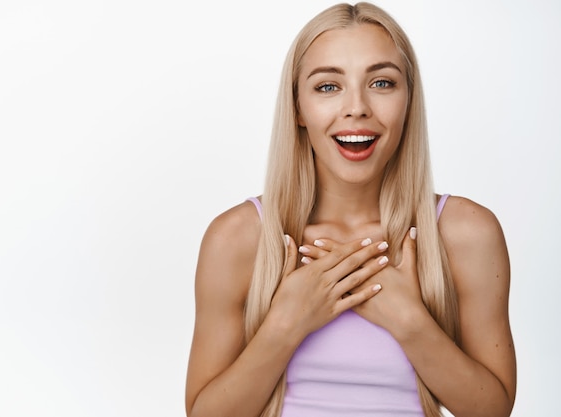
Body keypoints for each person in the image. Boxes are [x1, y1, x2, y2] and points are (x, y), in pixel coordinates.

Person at [184, 2, 516, 417]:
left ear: (409, 101)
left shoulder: (466, 233)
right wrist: (285, 325)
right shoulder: (236, 239)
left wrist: (411, 323)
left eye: (381, 83)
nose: (356, 107)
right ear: (297, 108)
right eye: (328, 86)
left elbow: (493, 410)